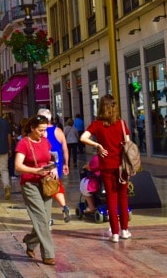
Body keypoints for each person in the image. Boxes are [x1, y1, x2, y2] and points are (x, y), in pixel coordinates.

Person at [80, 95, 132, 242]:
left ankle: (114, 233)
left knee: (111, 197)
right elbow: (127, 143)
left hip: (106, 165)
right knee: (123, 197)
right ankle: (124, 231)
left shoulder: (97, 124)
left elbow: (83, 138)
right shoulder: (121, 123)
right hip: (122, 166)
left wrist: (97, 145)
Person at [14, 114, 57, 266]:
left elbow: (50, 159)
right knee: (41, 219)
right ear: (32, 128)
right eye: (40, 130)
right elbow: (18, 166)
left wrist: (54, 169)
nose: (43, 133)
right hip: (30, 184)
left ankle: (30, 242)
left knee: (45, 219)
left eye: (45, 130)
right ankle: (48, 255)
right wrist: (35, 171)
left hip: (46, 183)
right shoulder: (24, 143)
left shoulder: (45, 141)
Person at [38, 108, 71, 223]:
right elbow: (65, 149)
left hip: (45, 164)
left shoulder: (40, 132)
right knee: (56, 187)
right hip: (57, 165)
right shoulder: (58, 131)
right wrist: (66, 164)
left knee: (45, 190)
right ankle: (64, 207)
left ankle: (49, 217)